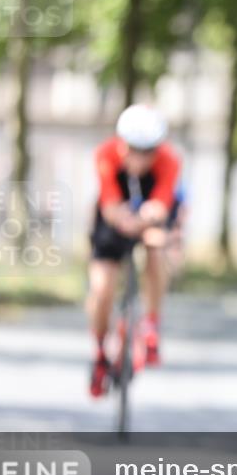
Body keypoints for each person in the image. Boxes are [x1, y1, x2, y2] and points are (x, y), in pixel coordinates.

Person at [85, 104, 181, 398]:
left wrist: (148, 221)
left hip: (149, 215)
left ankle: (151, 324)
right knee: (102, 288)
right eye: (134, 150)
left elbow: (162, 203)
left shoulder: (169, 161)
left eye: (148, 151)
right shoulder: (105, 155)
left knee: (156, 248)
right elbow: (111, 204)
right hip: (114, 214)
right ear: (121, 143)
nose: (140, 158)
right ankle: (101, 350)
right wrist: (123, 220)